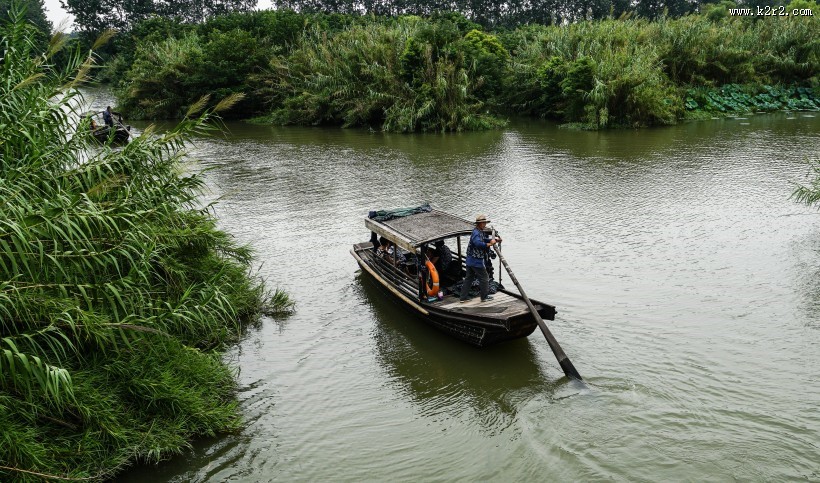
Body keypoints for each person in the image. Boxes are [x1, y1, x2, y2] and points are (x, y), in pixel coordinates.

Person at [459, 214, 501, 302]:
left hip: (470, 260)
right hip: (475, 261)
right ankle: (484, 297)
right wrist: (490, 244)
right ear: (479, 223)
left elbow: (484, 239)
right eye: (483, 223)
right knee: (485, 278)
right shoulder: (476, 233)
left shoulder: (479, 232)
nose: (485, 224)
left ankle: (463, 298)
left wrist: (495, 240)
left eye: (485, 222)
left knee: (469, 278)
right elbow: (478, 244)